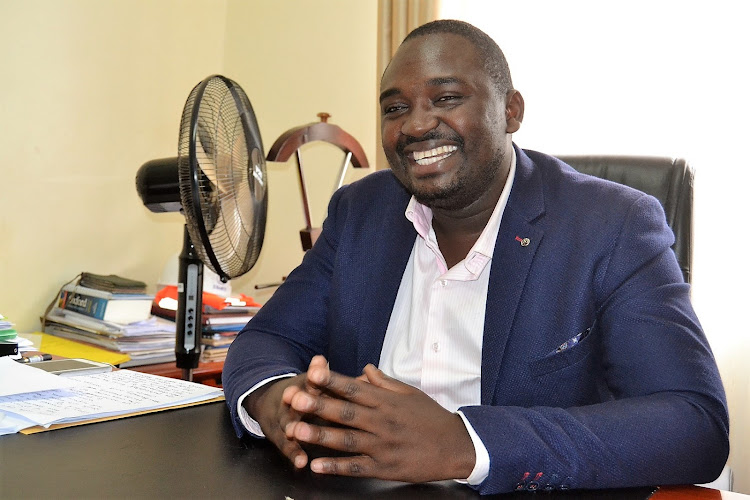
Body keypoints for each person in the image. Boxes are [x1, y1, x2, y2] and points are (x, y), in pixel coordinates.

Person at [222, 19, 729, 495]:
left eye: (446, 98)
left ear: (511, 111)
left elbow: (694, 424)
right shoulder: (362, 211)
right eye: (395, 108)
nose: (417, 126)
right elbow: (267, 338)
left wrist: (466, 444)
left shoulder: (612, 225)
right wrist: (276, 402)